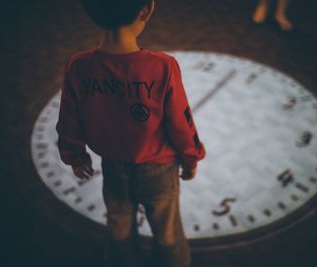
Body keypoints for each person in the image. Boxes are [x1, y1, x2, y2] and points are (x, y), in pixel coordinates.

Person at [55, 0, 206, 266]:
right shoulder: (163, 67)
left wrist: (76, 157)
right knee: (167, 231)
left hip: (113, 168)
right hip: (159, 171)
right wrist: (191, 156)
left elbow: (68, 120)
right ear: (147, 9)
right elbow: (181, 122)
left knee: (119, 228)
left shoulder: (78, 67)